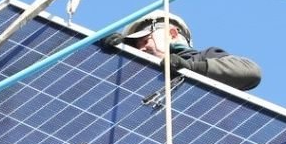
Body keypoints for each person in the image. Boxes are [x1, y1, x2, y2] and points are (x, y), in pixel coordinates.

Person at [103, 12, 261, 91]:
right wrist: (105, 56)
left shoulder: (202, 58)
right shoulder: (136, 79)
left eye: (145, 40)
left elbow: (250, 72)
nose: (142, 48)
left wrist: (189, 68)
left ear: (172, 34)